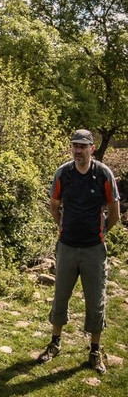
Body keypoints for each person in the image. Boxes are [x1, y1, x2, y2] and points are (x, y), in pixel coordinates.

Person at [38, 129, 121, 373]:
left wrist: (102, 232)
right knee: (60, 296)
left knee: (96, 300)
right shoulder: (63, 173)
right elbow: (54, 206)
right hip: (67, 246)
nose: (78, 150)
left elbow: (114, 211)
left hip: (94, 249)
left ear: (91, 149)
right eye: (75, 145)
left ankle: (95, 350)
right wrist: (62, 227)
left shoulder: (103, 174)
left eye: (83, 146)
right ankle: (55, 343)